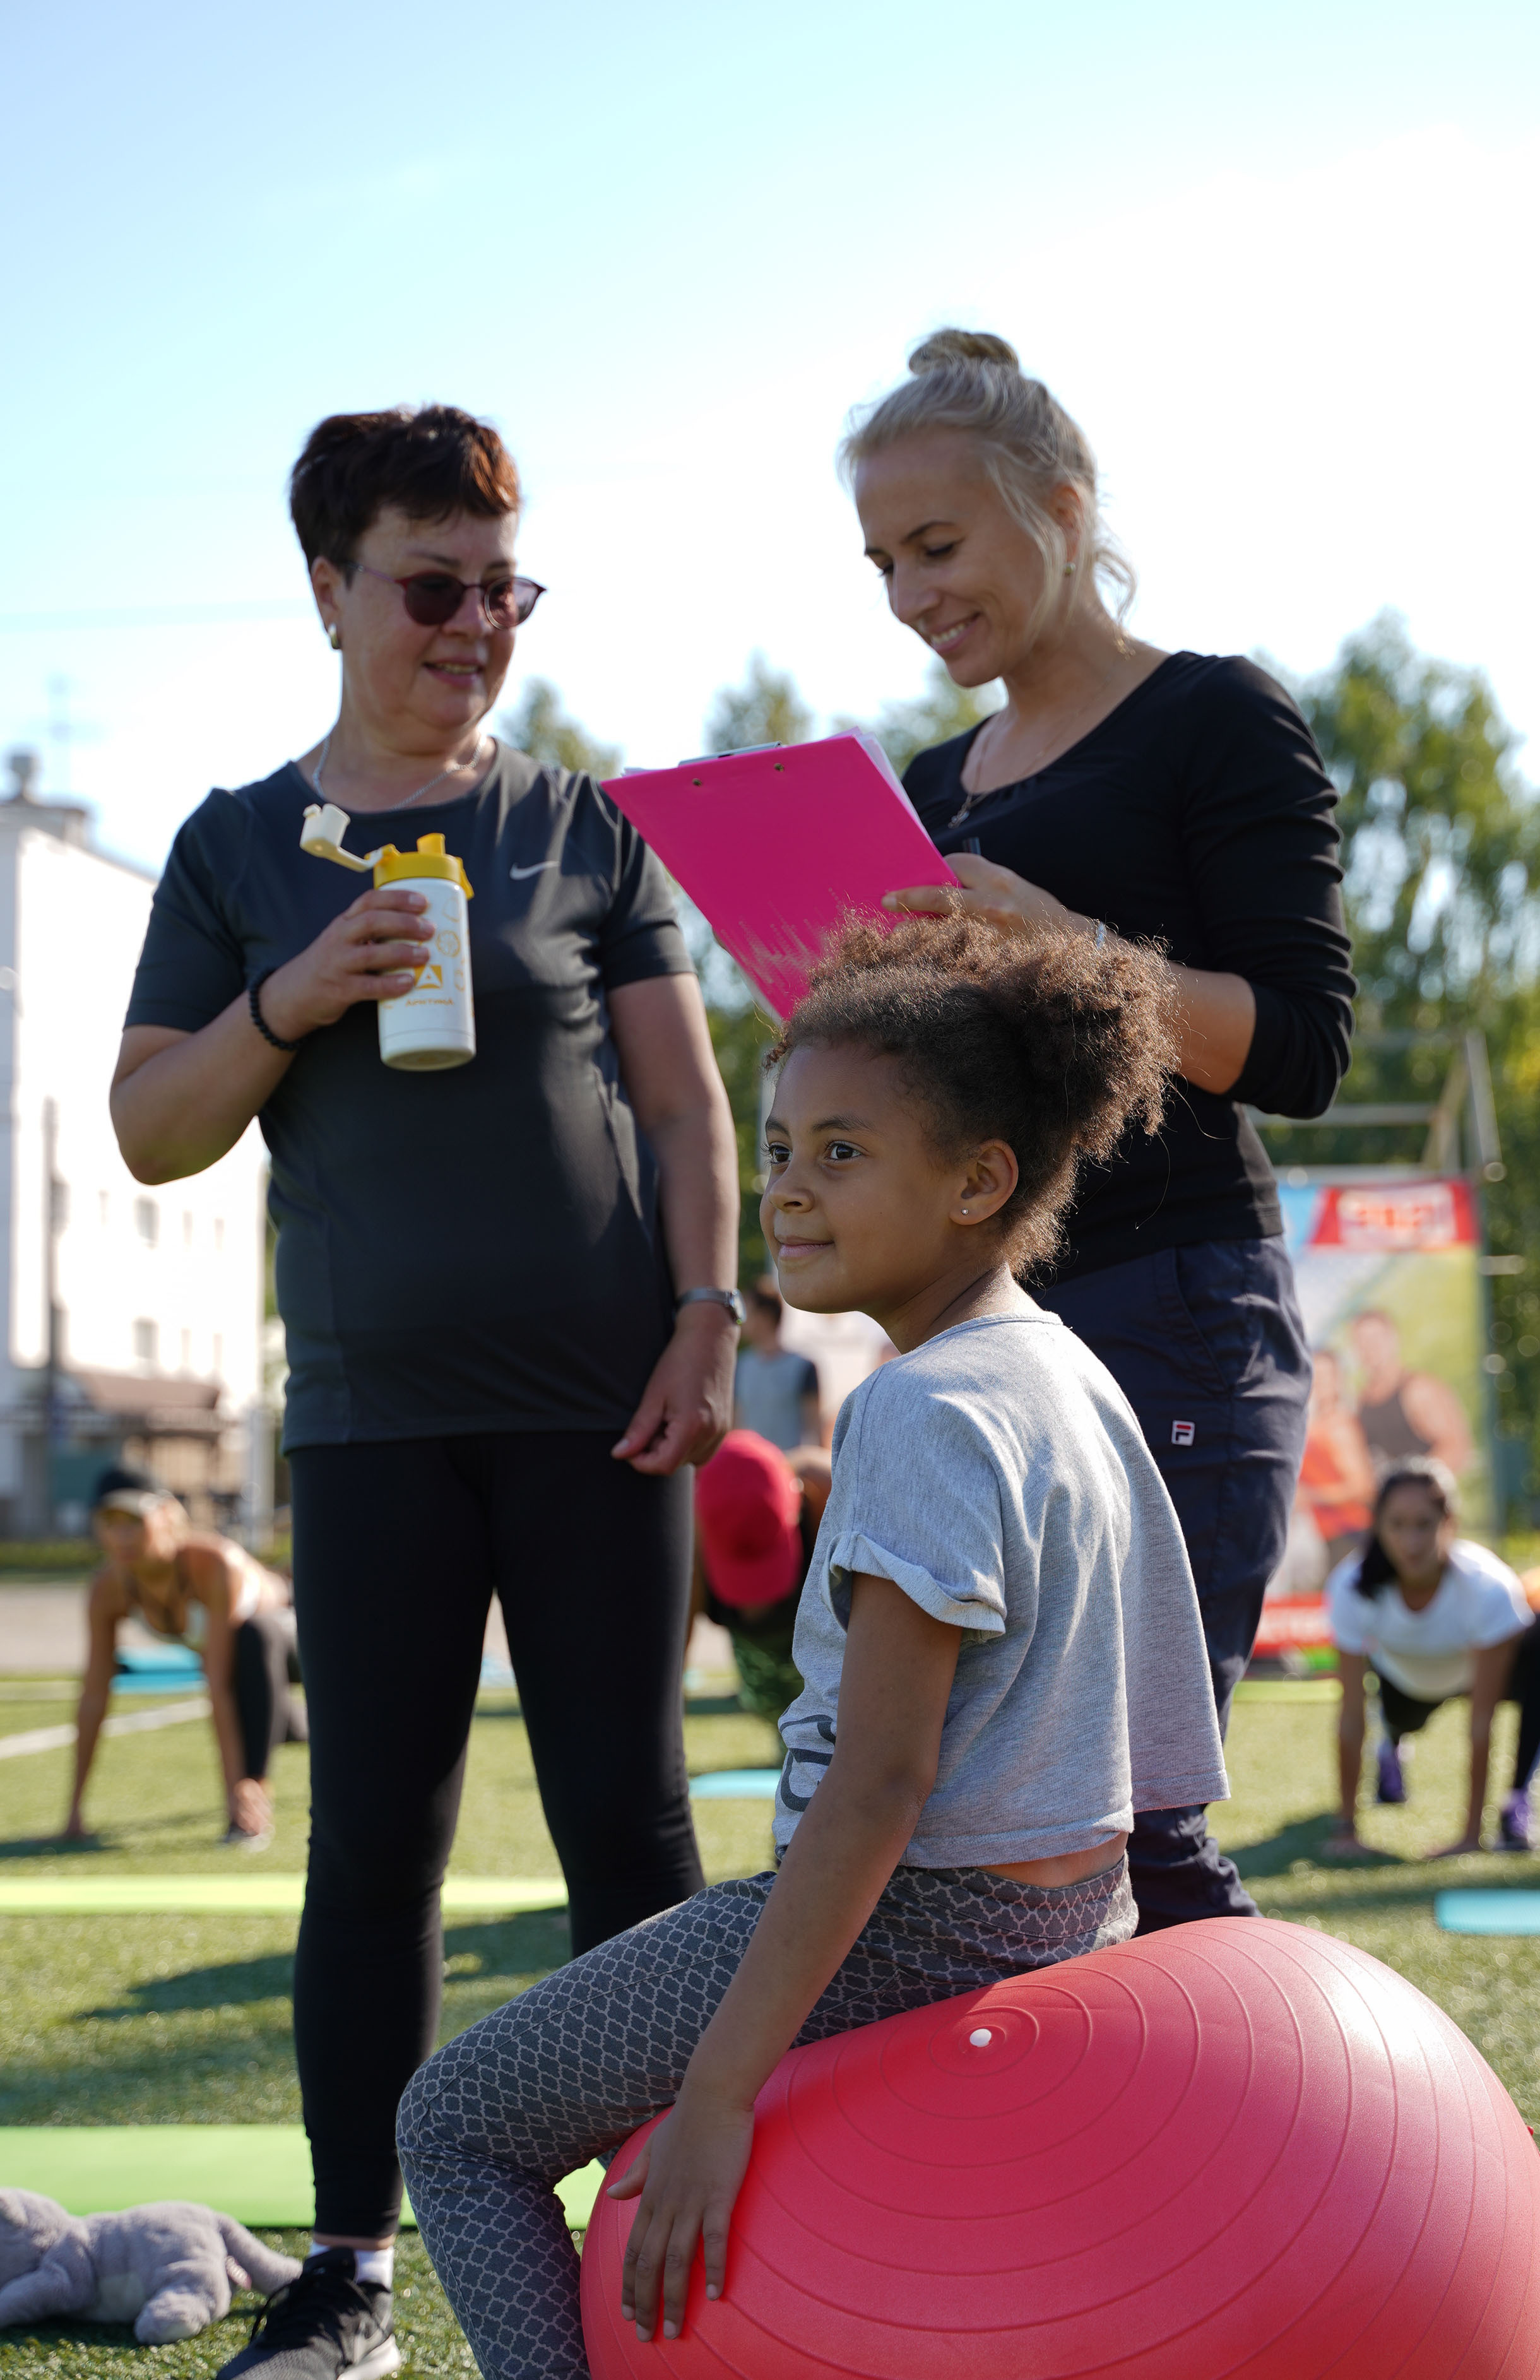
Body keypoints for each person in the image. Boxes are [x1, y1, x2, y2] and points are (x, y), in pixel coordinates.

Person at [108, 405, 740, 2380]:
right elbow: (144, 1130)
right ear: (328, 588)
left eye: (504, 587)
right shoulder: (233, 846)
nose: (477, 624)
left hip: (602, 1413)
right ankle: (355, 2276)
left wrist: (711, 1308)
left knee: (629, 1833)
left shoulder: (584, 826)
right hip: (372, 1423)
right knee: (369, 1840)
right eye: (433, 586)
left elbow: (681, 1096)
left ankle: (684, 2248)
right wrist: (289, 1002)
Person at [396, 912, 1228, 2380]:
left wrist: (721, 2091)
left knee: (455, 2123)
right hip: (1073, 1910)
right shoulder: (1066, 1367)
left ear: (981, 1179)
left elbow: (881, 1783)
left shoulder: (920, 1404)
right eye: (778, 1148)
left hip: (918, 1923)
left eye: (841, 1151)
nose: (786, 1189)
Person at [845, 329, 1356, 1929]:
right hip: (978, 1337)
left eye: (938, 544)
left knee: (1135, 1827)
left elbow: (1303, 1044)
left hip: (1179, 1303)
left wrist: (1066, 947)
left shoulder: (1216, 717)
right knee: (974, 1827)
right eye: (881, 561)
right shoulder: (932, 782)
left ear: (1061, 507)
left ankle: (1278, 2169)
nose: (911, 592)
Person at [1325, 1457, 1540, 1858]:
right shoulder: (1351, 1588)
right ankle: (1392, 1748)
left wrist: (1471, 1837)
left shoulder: (1488, 1586)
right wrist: (1346, 1830)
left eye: (1424, 1524)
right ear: (1378, 1526)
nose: (1411, 1542)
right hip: (1402, 1686)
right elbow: (1351, 1717)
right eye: (1397, 1525)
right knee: (1398, 1721)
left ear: (1448, 1523)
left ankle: (1517, 1802)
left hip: (1470, 1677)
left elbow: (1480, 1723)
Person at [65, 1465, 300, 1847]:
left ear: (167, 1515)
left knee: (256, 1637)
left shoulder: (213, 1564)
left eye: (134, 1521)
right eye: (109, 1522)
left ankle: (254, 1804)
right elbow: (94, 1695)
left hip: (301, 1636)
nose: (122, 1535)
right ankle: (302, 1730)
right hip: (254, 1680)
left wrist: (235, 1798)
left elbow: (219, 1683)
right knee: (292, 1724)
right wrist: (74, 1812)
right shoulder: (108, 1588)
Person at [694, 1428, 831, 1717]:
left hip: (825, 1646)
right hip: (762, 1686)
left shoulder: (829, 1491)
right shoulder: (692, 1537)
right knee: (772, 1710)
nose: (756, 1606)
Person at [1351, 1309, 1474, 1478]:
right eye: (1362, 1342)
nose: (1370, 1348)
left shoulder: (1419, 1389)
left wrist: (1413, 1488)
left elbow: (1456, 1448)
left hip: (1425, 1498)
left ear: (1393, 1339)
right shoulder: (1362, 1403)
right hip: (1388, 1500)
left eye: (1375, 1339)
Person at [1296, 1347, 1377, 1567]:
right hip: (1325, 1536)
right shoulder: (1313, 1423)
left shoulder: (1340, 1426)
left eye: (1327, 1376)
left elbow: (1362, 1487)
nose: (1320, 1383)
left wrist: (1310, 1496)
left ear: (1338, 1380)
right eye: (1315, 1375)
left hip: (1349, 1534)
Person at [732, 1276, 822, 1450]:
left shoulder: (804, 1367)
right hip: (750, 1472)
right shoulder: (740, 1366)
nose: (741, 1320)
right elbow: (736, 1429)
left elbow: (814, 1432)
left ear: (764, 1317)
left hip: (791, 1473)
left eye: (747, 1311)